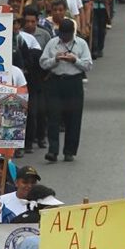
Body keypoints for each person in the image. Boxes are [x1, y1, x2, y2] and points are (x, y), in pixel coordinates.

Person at [39, 19, 91, 162]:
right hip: (56, 81)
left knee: (74, 118)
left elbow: (88, 65)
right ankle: (53, 151)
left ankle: (69, 151)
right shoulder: (52, 43)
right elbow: (43, 63)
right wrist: (55, 60)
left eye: (67, 35)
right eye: (62, 34)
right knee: (53, 117)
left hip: (74, 83)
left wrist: (75, 60)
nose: (64, 38)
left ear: (72, 33)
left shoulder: (81, 44)